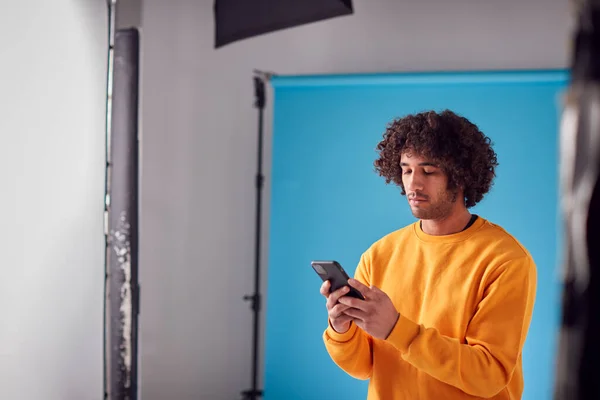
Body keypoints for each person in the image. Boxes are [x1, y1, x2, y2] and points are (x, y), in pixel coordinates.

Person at [320, 110, 537, 400]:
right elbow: (363, 366)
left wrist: (397, 329)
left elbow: (489, 376)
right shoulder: (379, 254)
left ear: (460, 175)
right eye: (406, 169)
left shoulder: (505, 260)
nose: (413, 183)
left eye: (429, 170)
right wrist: (341, 327)